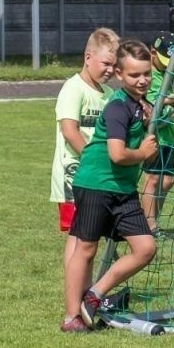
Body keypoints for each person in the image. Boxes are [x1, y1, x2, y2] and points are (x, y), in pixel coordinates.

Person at [62, 40, 161, 332]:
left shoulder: (142, 104)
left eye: (146, 74)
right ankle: (71, 317)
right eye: (134, 75)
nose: (142, 80)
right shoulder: (117, 107)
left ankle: (93, 295)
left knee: (145, 248)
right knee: (86, 248)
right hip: (96, 183)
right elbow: (117, 154)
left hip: (122, 189)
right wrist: (143, 153)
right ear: (119, 74)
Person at [53, 27, 118, 329]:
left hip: (96, 178)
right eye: (105, 64)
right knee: (78, 239)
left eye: (113, 65)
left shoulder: (108, 95)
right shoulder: (73, 88)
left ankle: (83, 303)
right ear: (88, 57)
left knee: (87, 239)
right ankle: (73, 306)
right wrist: (93, 161)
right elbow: (70, 131)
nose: (110, 70)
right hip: (74, 174)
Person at [139, 32, 174, 236]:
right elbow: (150, 108)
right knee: (152, 179)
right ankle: (150, 226)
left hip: (168, 137)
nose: (169, 65)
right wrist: (170, 105)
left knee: (168, 181)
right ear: (152, 52)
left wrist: (173, 102)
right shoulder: (147, 76)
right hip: (154, 137)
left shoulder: (167, 75)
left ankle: (150, 220)